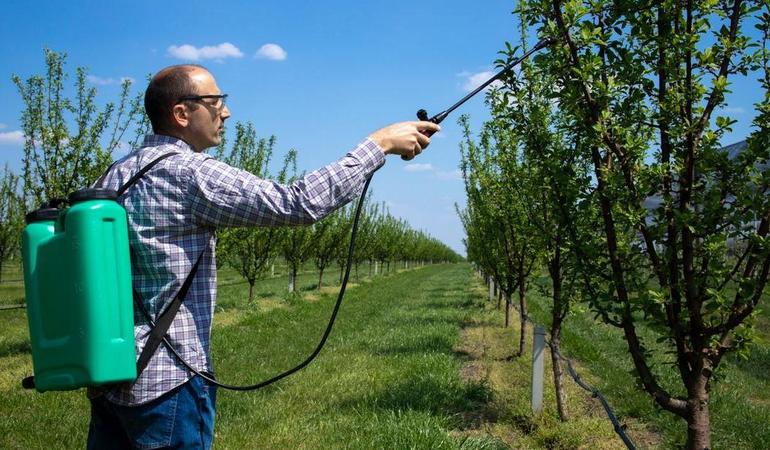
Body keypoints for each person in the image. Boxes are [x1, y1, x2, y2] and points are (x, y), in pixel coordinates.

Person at [85, 64, 439, 449]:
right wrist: (378, 145)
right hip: (169, 382)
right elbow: (298, 203)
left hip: (113, 374)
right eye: (215, 101)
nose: (226, 111)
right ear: (182, 113)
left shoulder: (114, 176)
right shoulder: (188, 174)